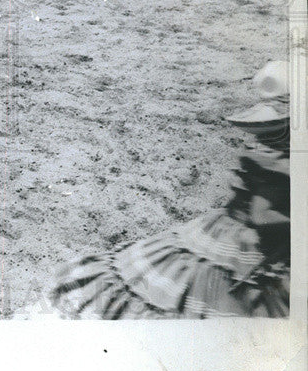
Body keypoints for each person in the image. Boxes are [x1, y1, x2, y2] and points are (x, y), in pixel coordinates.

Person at [50, 61, 291, 319]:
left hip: (238, 229)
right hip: (249, 241)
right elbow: (262, 215)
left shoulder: (272, 150)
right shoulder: (274, 159)